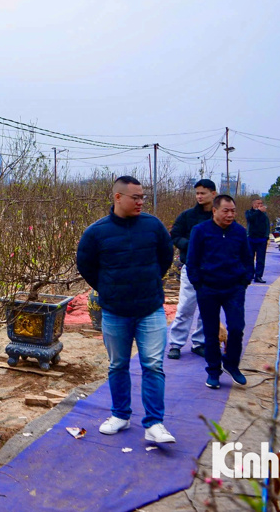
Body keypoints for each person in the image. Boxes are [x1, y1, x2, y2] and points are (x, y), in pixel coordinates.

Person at [76, 176, 176, 443]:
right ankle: (120, 414)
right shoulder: (96, 233)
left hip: (150, 309)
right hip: (115, 312)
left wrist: (151, 281)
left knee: (153, 365)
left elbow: (166, 258)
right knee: (118, 364)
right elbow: (85, 266)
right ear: (118, 197)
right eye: (136, 197)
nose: (141, 201)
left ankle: (154, 423)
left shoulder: (153, 227)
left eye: (143, 196)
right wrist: (108, 288)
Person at [186, 194, 255, 389]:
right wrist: (198, 284)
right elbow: (192, 261)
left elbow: (247, 259)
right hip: (208, 289)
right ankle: (213, 371)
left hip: (234, 289)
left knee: (236, 328)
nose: (230, 214)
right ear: (215, 211)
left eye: (233, 211)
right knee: (210, 332)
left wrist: (244, 280)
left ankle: (231, 364)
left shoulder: (240, 232)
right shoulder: (200, 231)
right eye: (226, 210)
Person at [166, 179, 216, 360]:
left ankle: (200, 343)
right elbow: (174, 235)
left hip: (213, 269)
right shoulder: (187, 216)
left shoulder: (218, 216)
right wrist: (190, 245)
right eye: (197, 193)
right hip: (192, 267)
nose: (200, 196)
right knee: (186, 306)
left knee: (208, 308)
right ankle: (176, 343)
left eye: (203, 193)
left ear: (213, 194)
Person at [245, 195, 270, 283]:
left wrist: (266, 236)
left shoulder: (264, 214)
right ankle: (250, 274)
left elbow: (267, 224)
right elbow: (250, 219)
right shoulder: (249, 212)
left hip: (261, 239)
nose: (260, 205)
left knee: (261, 259)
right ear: (253, 204)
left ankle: (258, 276)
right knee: (249, 258)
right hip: (251, 239)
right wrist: (258, 211)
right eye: (258, 203)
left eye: (261, 203)